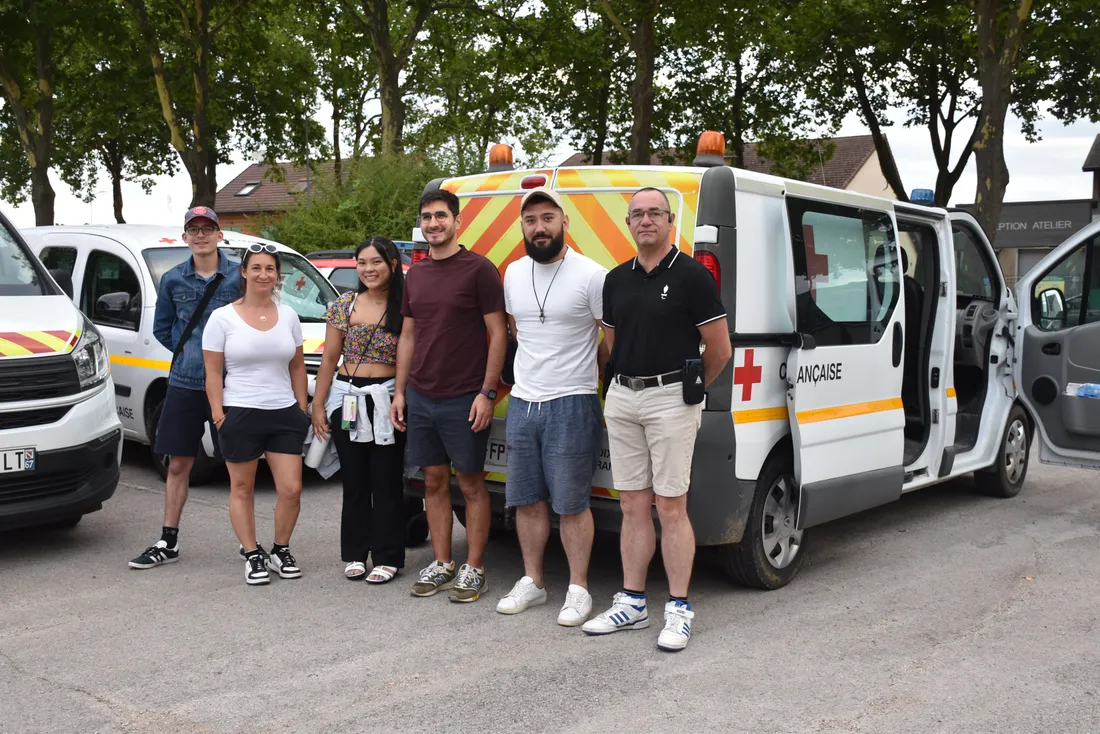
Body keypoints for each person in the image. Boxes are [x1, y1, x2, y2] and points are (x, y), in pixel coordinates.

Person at [581, 187, 732, 651]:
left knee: (671, 507)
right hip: (623, 395)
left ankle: (680, 608)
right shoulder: (616, 279)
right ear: (628, 223)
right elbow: (608, 342)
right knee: (631, 505)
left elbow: (720, 349)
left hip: (672, 398)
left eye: (655, 213)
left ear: (670, 221)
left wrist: (689, 391)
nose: (646, 220)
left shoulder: (691, 276)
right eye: (637, 214)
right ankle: (632, 603)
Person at [494, 188, 608, 626]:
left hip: (572, 401)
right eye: (530, 220)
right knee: (526, 500)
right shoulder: (513, 273)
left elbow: (608, 337)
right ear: (522, 228)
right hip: (523, 402)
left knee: (572, 503)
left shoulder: (591, 275)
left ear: (565, 223)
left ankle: (578, 588)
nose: (539, 227)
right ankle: (534, 582)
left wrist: (590, 373)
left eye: (547, 218)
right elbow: (515, 329)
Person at [391, 189, 507, 603]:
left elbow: (498, 334)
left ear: (457, 221)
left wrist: (487, 392)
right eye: (427, 217)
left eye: (441, 216)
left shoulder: (479, 270)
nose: (434, 223)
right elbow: (408, 335)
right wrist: (400, 392)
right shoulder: (416, 275)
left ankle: (474, 568)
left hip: (465, 396)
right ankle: (443, 563)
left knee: (472, 485)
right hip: (421, 396)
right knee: (433, 482)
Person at [129, 206, 240, 570]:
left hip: (231, 386)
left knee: (241, 466)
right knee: (178, 463)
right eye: (194, 229)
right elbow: (163, 330)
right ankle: (168, 540)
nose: (201, 235)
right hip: (185, 384)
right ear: (185, 237)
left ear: (220, 235)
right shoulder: (173, 280)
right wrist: (192, 354)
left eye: (208, 228)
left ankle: (249, 544)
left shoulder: (240, 277)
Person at [202, 244, 311, 586]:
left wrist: (301, 409)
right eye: (257, 268)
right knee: (243, 487)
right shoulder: (222, 318)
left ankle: (280, 549)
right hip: (240, 413)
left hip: (283, 413)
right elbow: (212, 373)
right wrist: (219, 415)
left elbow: (297, 366)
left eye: (270, 269)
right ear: (244, 273)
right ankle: (252, 554)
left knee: (291, 489)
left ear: (278, 276)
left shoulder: (289, 316)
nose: (264, 274)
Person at [311, 237, 406, 584]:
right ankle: (354, 553)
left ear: (392, 265)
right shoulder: (344, 305)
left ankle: (388, 556)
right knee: (354, 482)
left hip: (387, 399)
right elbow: (329, 358)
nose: (368, 269)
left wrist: (402, 395)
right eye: (362, 263)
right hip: (347, 396)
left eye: (376, 262)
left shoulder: (405, 305)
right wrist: (318, 404)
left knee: (386, 481)